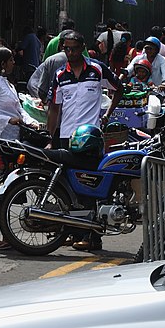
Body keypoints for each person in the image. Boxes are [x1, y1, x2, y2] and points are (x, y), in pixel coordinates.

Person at [46, 31, 122, 251]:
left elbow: (119, 89)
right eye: (66, 49)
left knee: (89, 187)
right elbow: (54, 109)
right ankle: (73, 230)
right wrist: (50, 138)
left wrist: (107, 115)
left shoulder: (97, 70)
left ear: (82, 47)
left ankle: (92, 236)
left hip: (90, 138)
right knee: (67, 188)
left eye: (74, 48)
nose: (70, 53)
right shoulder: (60, 75)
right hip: (65, 136)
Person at [0, 46, 39, 250]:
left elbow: (20, 111)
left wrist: (31, 121)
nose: (14, 63)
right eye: (11, 60)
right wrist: (6, 120)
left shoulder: (7, 85)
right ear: (3, 64)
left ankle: (6, 235)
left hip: (11, 143)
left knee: (8, 189)